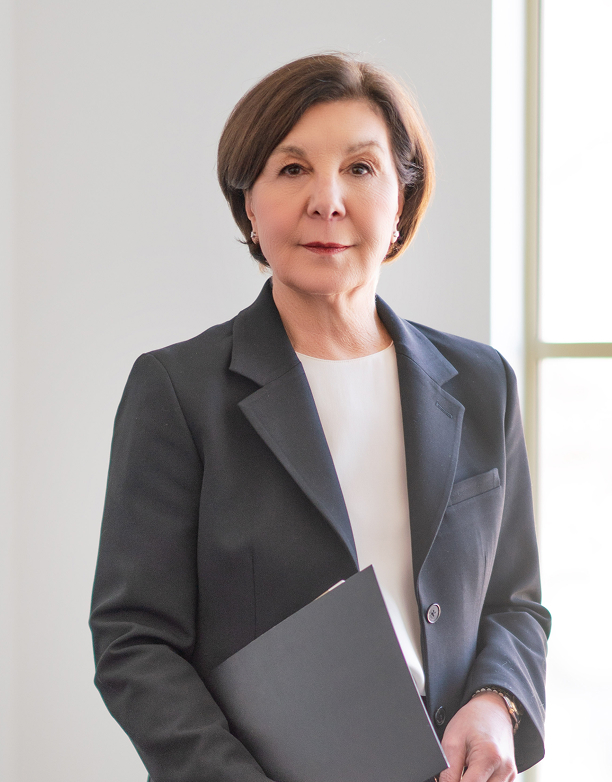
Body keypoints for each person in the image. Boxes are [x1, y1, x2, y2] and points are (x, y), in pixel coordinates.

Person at [90, 53, 551, 782]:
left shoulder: (482, 382)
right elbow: (133, 639)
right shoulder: (177, 391)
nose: (327, 200)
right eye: (292, 168)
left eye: (360, 168)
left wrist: (499, 703)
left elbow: (516, 603)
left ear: (402, 199)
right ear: (249, 203)